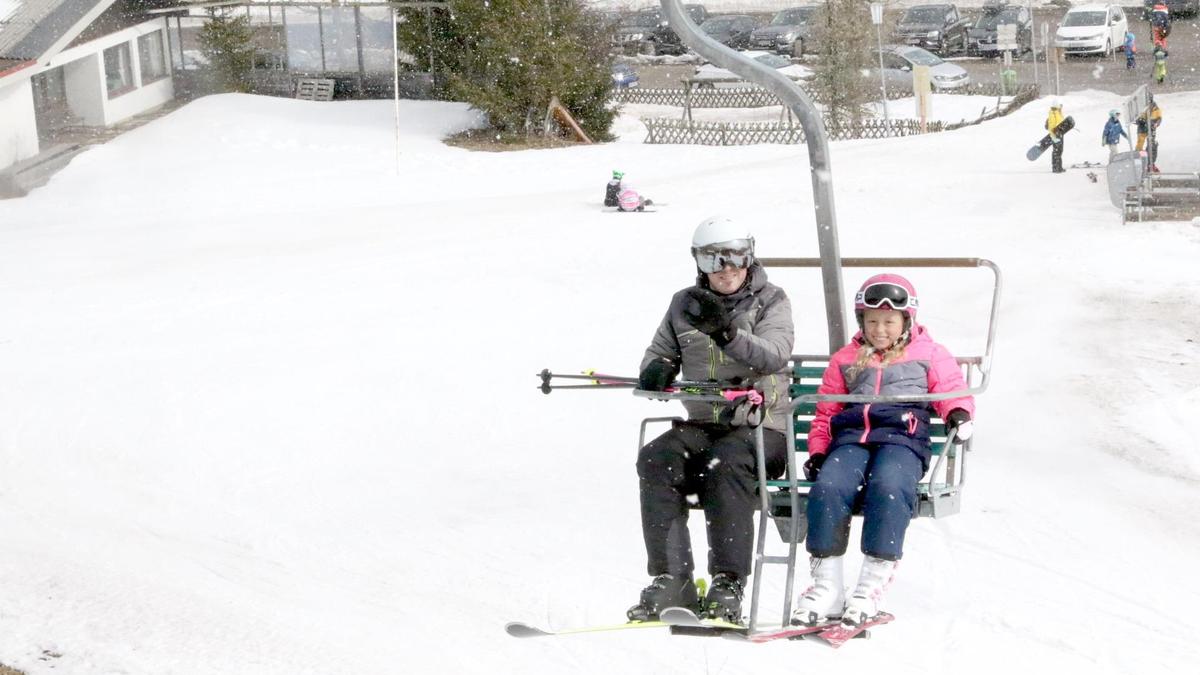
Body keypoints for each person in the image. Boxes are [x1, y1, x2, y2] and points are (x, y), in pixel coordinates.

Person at [629, 216, 794, 624]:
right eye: (712, 258)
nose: (726, 267)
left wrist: (727, 334)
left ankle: (727, 580)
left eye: (735, 255)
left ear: (750, 255)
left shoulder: (771, 300)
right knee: (657, 456)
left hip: (761, 429)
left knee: (725, 463)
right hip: (703, 426)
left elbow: (775, 354)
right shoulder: (684, 303)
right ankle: (673, 577)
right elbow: (660, 350)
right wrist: (659, 368)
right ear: (698, 262)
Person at [790, 274, 975, 628]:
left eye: (889, 322)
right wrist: (817, 452)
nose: (880, 330)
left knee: (888, 487)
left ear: (906, 321)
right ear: (862, 321)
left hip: (902, 441)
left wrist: (958, 414)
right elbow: (826, 412)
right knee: (828, 487)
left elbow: (951, 388)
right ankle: (826, 586)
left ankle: (869, 588)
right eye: (872, 321)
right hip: (851, 440)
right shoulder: (846, 358)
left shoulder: (929, 354)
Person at [1136, 98, 1162, 172]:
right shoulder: (1142, 107)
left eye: (1149, 102)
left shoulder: (1156, 108)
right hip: (1142, 128)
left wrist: (1156, 124)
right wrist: (1140, 121)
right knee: (1140, 144)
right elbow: (1137, 118)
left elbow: (1159, 119)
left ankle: (1150, 162)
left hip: (1151, 128)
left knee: (1151, 144)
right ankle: (1140, 159)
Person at [1046, 100, 1066, 174]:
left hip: (1060, 134)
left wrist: (1060, 110)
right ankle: (1056, 168)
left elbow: (1061, 120)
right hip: (1056, 135)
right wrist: (1054, 135)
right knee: (1056, 151)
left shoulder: (1058, 113)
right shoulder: (1053, 113)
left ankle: (1059, 167)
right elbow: (1051, 125)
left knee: (1059, 151)